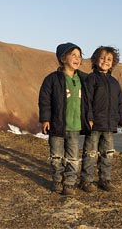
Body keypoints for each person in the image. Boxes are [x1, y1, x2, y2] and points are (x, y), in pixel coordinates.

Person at [38, 42, 90, 195]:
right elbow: (44, 100)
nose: (77, 58)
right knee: (56, 156)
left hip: (75, 126)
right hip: (57, 125)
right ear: (62, 58)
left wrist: (90, 118)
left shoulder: (83, 79)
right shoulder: (52, 79)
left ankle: (69, 183)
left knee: (73, 157)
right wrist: (45, 119)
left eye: (79, 56)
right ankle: (57, 180)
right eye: (73, 55)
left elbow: (89, 101)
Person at [80, 46, 122, 193]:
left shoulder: (114, 82)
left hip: (109, 125)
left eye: (109, 59)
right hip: (94, 124)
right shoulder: (91, 78)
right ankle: (86, 181)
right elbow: (86, 101)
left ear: (113, 63)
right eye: (102, 58)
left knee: (107, 154)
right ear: (95, 59)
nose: (105, 61)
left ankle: (104, 179)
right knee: (90, 153)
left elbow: (120, 102)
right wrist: (89, 117)